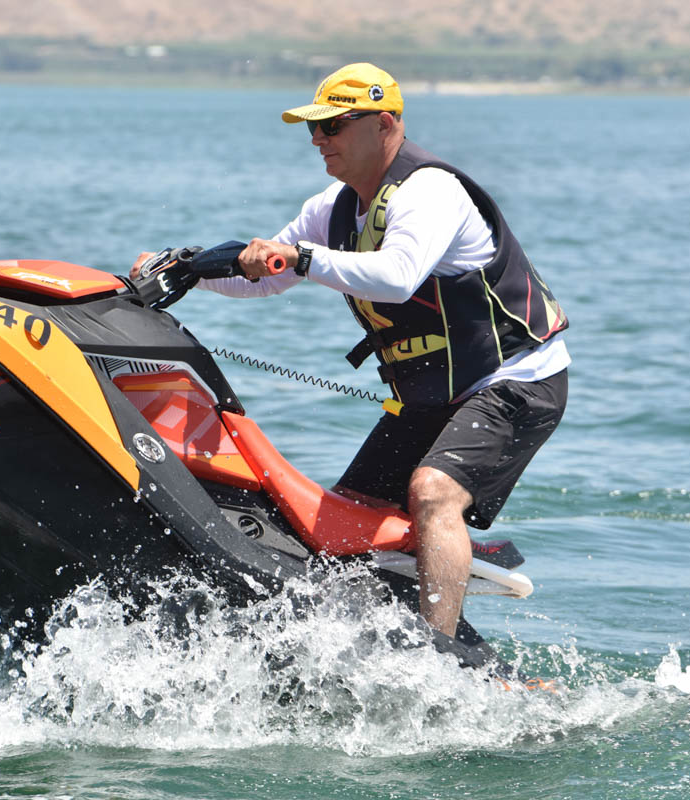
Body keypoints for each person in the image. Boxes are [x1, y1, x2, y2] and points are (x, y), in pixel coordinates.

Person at [134, 62, 570, 640]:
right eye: (313, 128)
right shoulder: (331, 208)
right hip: (433, 396)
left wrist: (303, 258)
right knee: (340, 524)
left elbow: (397, 276)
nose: (318, 139)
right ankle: (411, 643)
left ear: (385, 123)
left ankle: (436, 655)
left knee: (432, 491)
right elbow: (266, 276)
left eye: (333, 126)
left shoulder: (430, 191)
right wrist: (186, 269)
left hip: (515, 381)